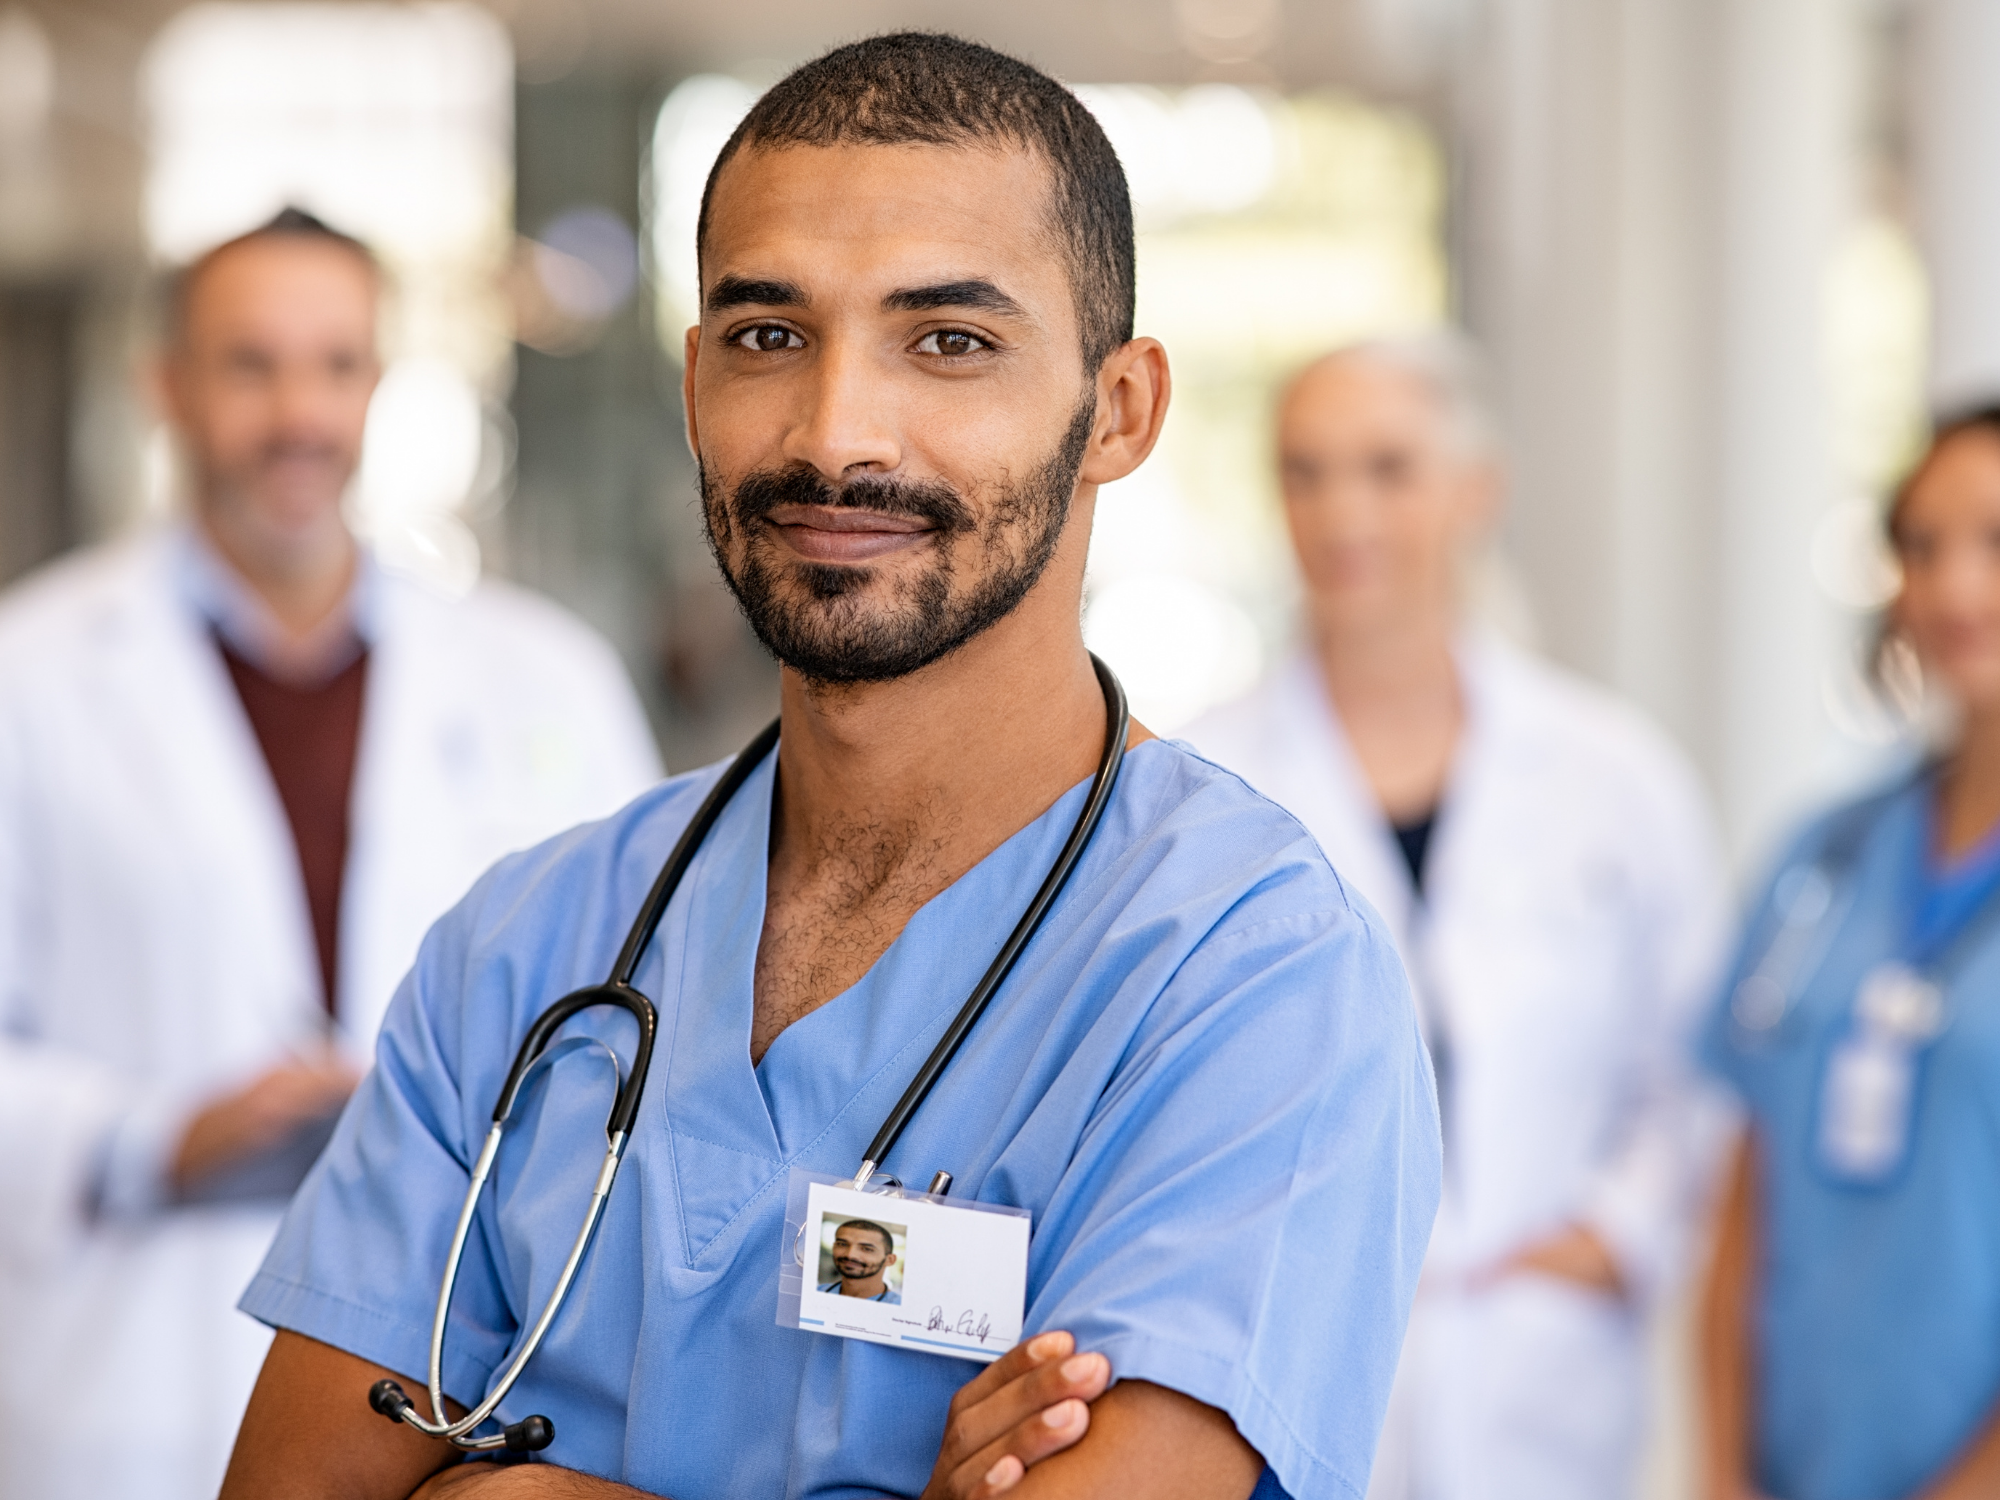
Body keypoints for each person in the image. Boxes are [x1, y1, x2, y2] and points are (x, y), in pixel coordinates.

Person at [218, 34, 1440, 1500]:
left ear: (1118, 410)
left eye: (950, 341)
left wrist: (512, 1489)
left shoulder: (1252, 975)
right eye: (767, 336)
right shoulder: (525, 949)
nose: (835, 433)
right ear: (693, 385)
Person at [0, 209, 661, 1500]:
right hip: (127, 1379)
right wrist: (152, 1137)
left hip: (460, 1385)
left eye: (336, 364)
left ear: (377, 385)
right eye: (251, 365)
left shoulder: (544, 678)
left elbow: (650, 1026)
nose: (298, 413)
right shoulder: (28, 675)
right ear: (166, 384)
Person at [1189, 334, 1729, 1500]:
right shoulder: (1200, 788)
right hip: (1290, 1377)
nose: (1341, 512)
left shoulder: (1611, 778)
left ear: (1476, 490)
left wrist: (1609, 1240)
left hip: (1544, 1386)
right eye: (1304, 472)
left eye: (1386, 469)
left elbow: (1688, 1064)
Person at [1700, 407, 2000, 1500]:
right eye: (1920, 545)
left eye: (1993, 541)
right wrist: (1722, 1471)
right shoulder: (1823, 855)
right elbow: (1744, 1201)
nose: (1952, 587)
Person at [819, 1219, 901, 1303]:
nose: (850, 1255)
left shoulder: (898, 1305)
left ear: (889, 1260)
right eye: (842, 1244)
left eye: (867, 1249)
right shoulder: (818, 1291)